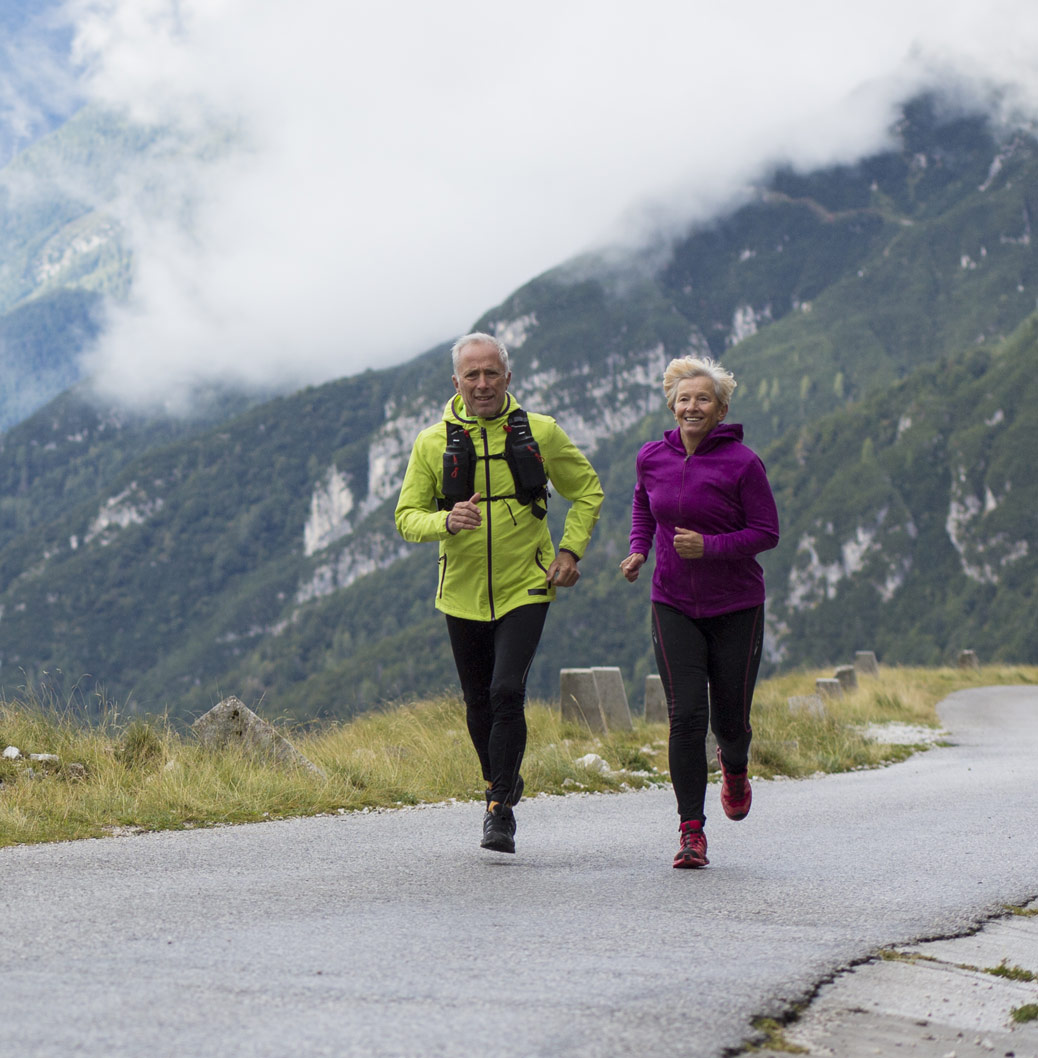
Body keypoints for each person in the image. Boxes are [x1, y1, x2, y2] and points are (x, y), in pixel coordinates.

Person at [395, 332, 604, 854]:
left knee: (506, 691)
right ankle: (499, 781)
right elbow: (405, 518)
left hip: (526, 584)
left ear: (508, 377)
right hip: (460, 592)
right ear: (457, 382)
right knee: (477, 701)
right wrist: (446, 519)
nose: (483, 384)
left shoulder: (542, 432)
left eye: (492, 373)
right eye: (473, 375)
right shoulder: (430, 443)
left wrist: (570, 553)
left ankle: (499, 811)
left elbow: (588, 491)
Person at [619, 355, 779, 869]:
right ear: (672, 405)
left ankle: (734, 766)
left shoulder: (743, 464)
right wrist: (640, 549)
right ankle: (691, 832)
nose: (692, 407)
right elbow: (645, 503)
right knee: (687, 717)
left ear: (720, 408)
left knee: (729, 720)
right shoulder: (652, 456)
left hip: (736, 606)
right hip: (673, 602)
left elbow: (766, 532)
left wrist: (709, 547)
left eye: (703, 400)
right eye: (684, 399)